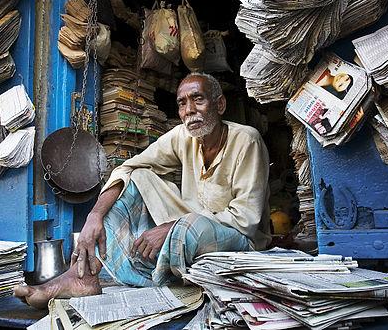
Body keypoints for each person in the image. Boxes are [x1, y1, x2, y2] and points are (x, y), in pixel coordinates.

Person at [14, 73, 271, 308]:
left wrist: (170, 227)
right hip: (190, 226)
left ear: (220, 105)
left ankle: (158, 277)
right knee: (138, 177)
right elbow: (129, 168)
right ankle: (82, 276)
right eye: (182, 103)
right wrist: (94, 216)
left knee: (190, 227)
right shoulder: (184, 136)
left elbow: (244, 221)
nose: (189, 110)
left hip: (238, 240)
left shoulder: (247, 140)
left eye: (198, 99)